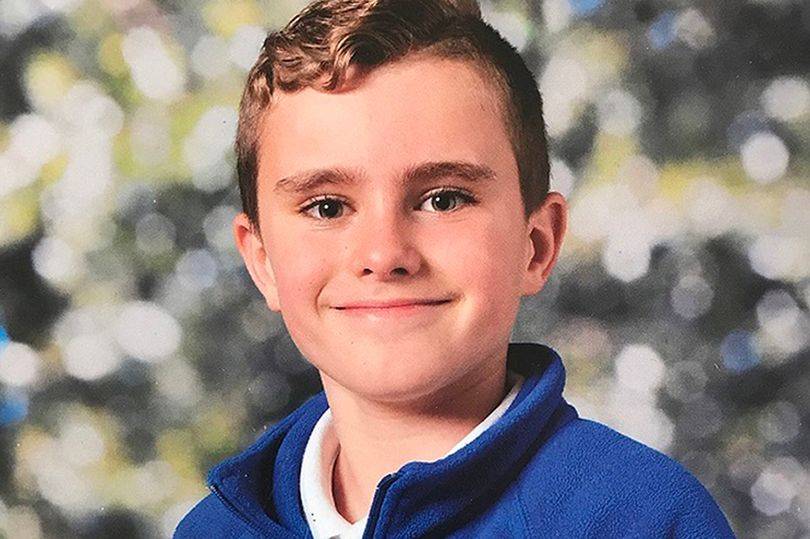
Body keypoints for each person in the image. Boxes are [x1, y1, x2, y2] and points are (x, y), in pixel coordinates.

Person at [175, 0, 735, 537]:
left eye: (443, 200)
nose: (384, 255)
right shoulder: (212, 531)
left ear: (536, 245)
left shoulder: (644, 520)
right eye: (327, 208)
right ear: (263, 262)